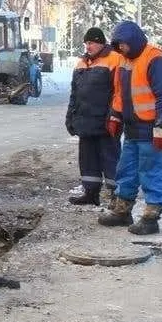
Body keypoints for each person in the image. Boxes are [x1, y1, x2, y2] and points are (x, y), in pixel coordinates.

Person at [97, 20, 162, 235]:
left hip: (151, 128)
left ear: (133, 41)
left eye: (123, 45)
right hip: (132, 128)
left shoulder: (155, 59)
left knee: (151, 170)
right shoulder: (123, 60)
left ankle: (151, 216)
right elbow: (120, 93)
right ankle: (122, 211)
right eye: (118, 45)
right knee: (126, 170)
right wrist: (115, 115)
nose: (120, 49)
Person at [65, 27, 123, 206]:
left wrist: (114, 115)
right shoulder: (82, 63)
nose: (87, 47)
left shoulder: (114, 59)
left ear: (100, 43)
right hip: (85, 121)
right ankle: (91, 193)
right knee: (87, 158)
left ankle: (117, 195)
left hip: (106, 121)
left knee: (110, 158)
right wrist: (70, 116)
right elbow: (75, 93)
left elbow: (119, 91)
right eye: (86, 43)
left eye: (91, 43)